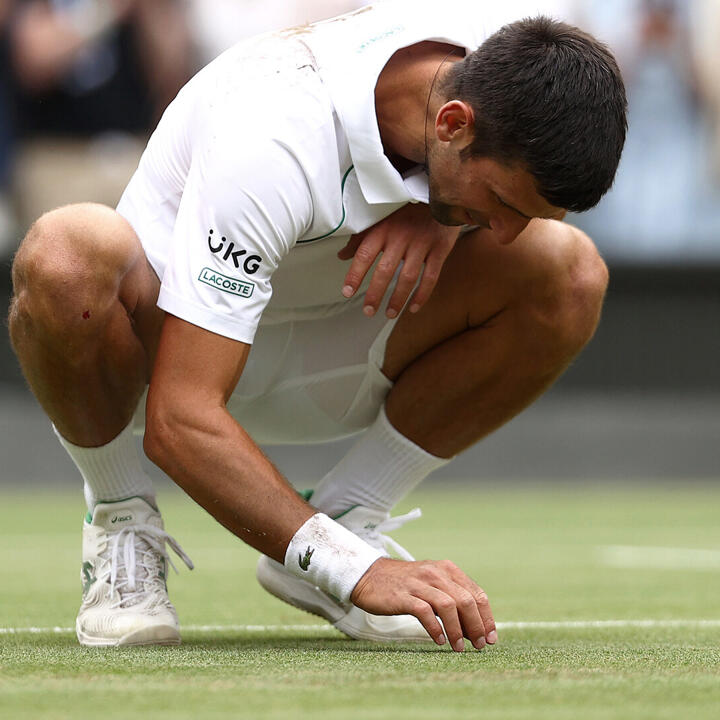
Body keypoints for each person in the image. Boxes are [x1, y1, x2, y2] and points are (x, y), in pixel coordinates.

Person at [8, 0, 627, 651]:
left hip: (345, 352)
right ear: (450, 123)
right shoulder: (274, 136)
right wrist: (358, 574)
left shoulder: (493, 64)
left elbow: (484, 165)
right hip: (163, 368)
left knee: (571, 272)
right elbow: (179, 419)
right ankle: (120, 518)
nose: (502, 231)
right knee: (65, 254)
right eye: (500, 204)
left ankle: (351, 513)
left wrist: (438, 212)